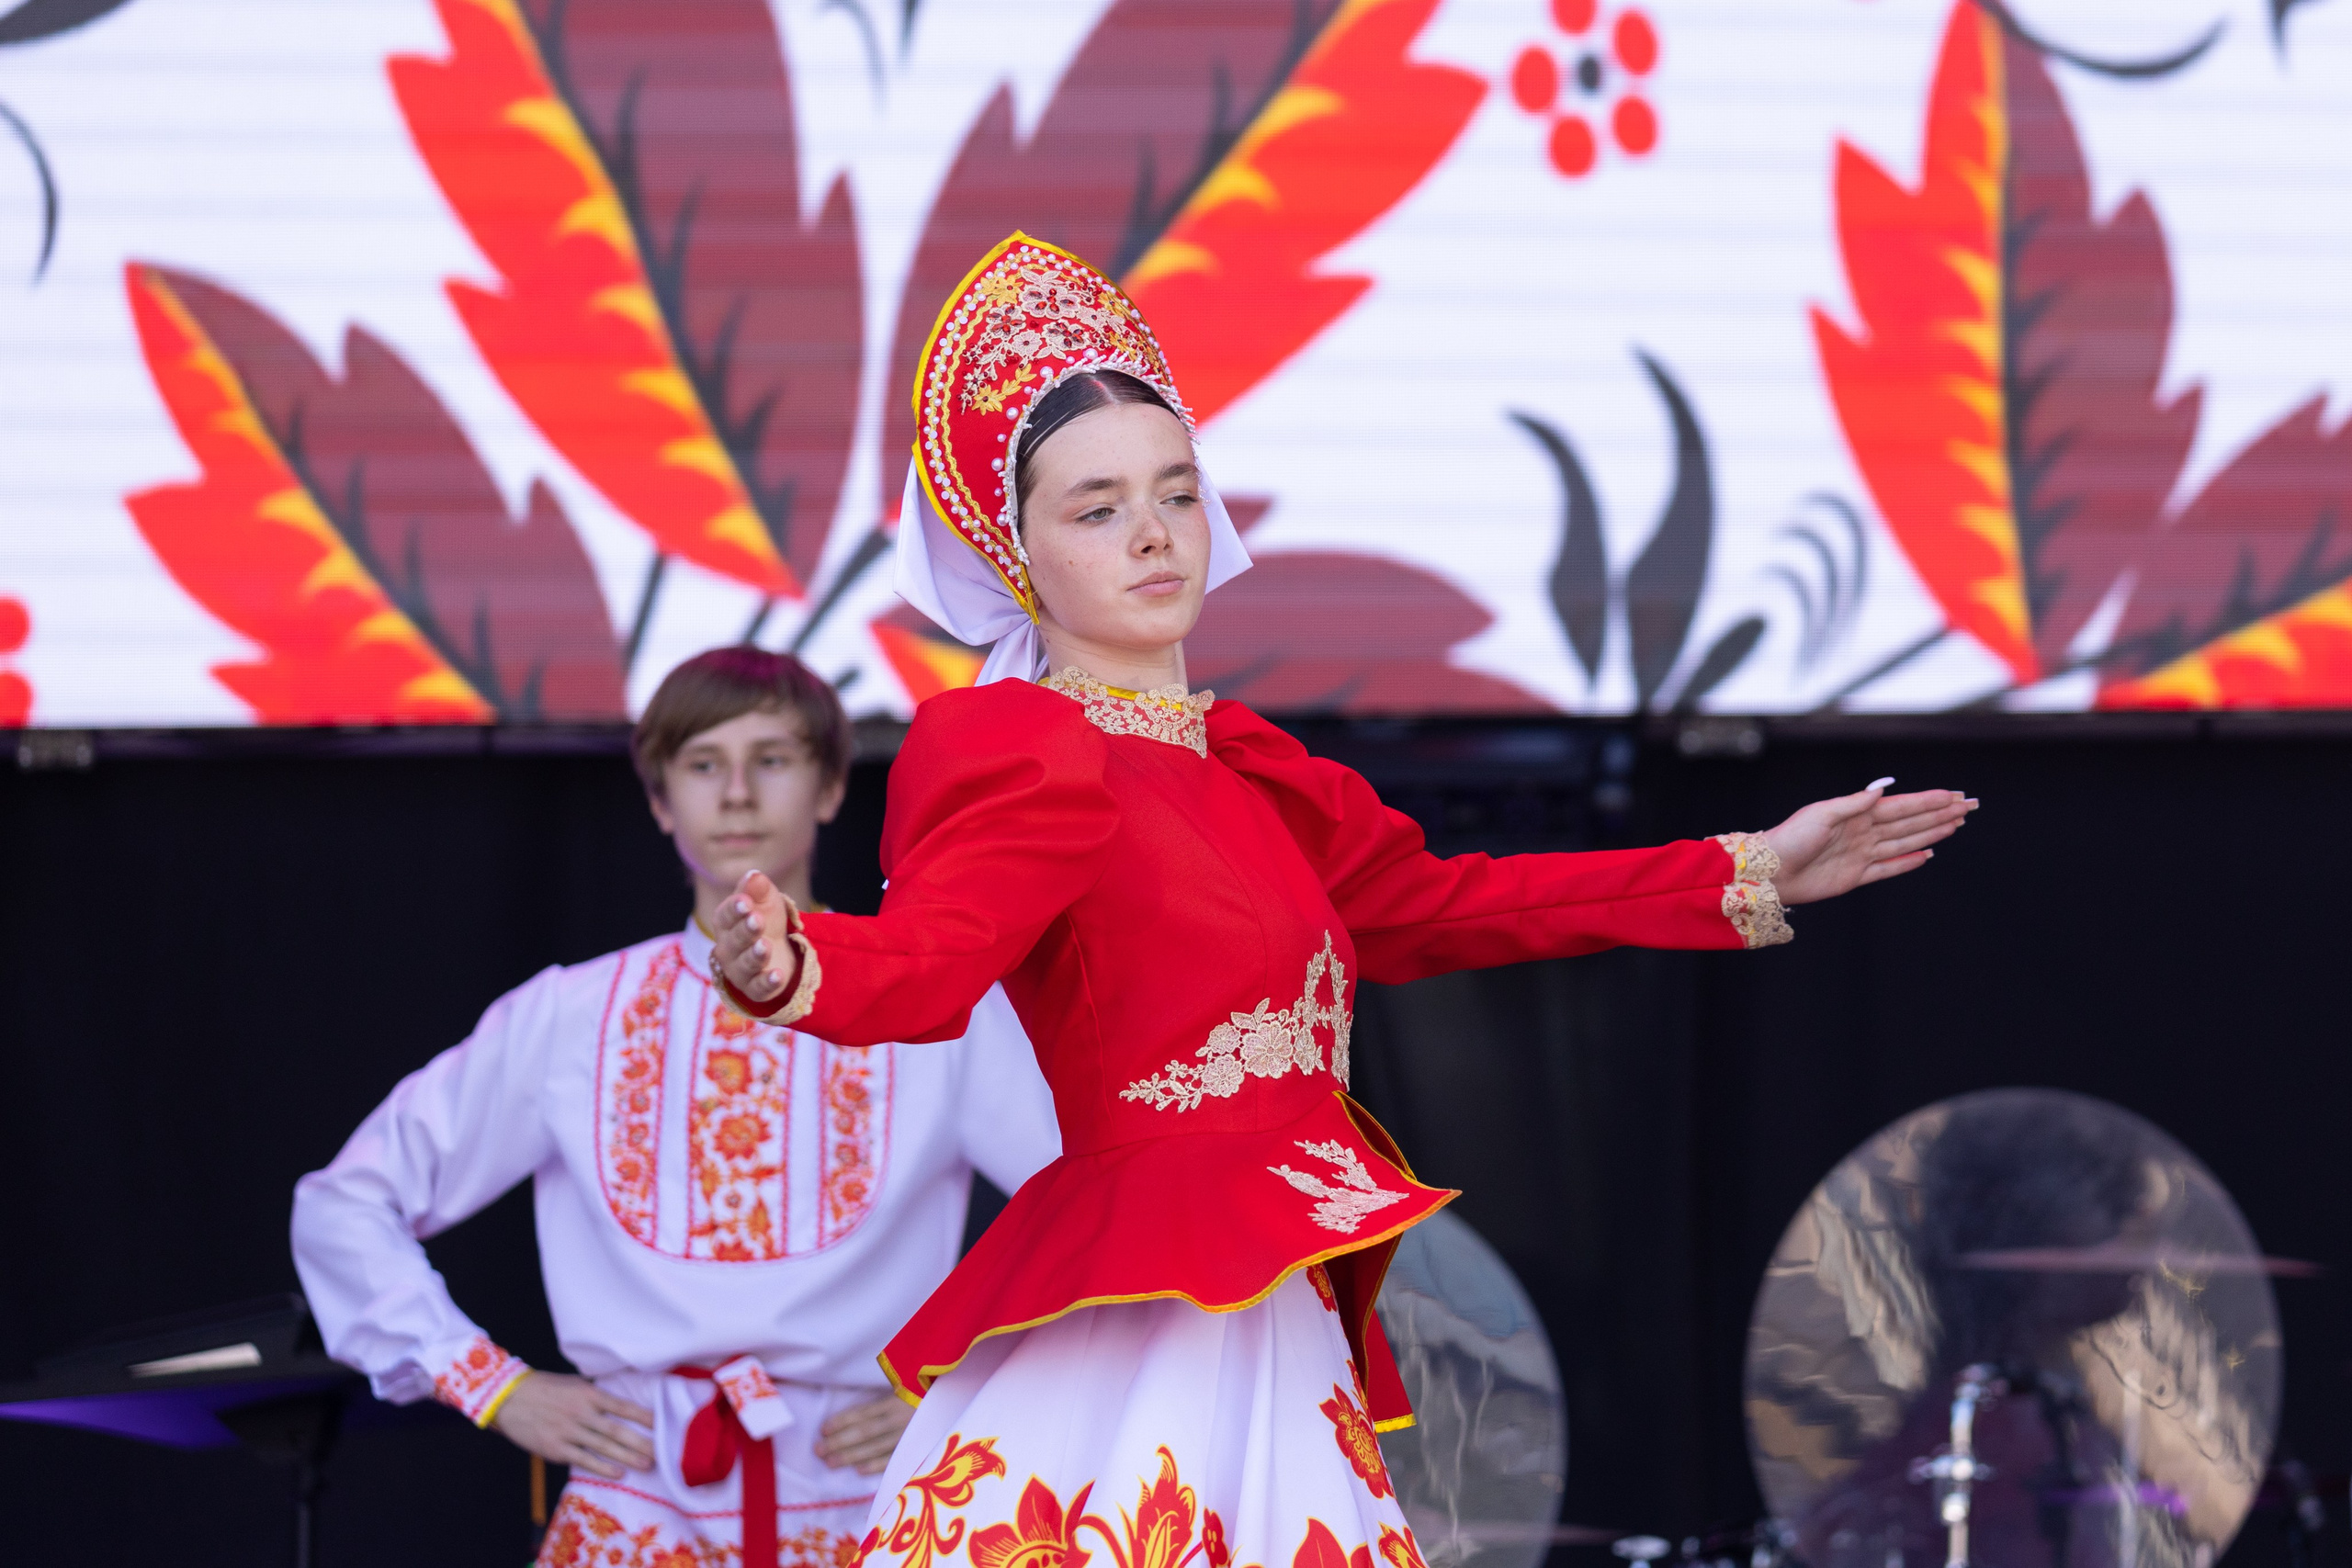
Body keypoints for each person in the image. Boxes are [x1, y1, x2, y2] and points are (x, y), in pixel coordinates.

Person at [710, 233, 1979, 1568]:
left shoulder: (1248, 766)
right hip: (1148, 1311)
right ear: (1014, 554)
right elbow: (927, 959)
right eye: (1095, 508)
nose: (1152, 533)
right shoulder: (1023, 744)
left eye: (1175, 491)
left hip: (1268, 1299)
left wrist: (1746, 870)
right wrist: (790, 961)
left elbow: (1451, 905)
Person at [292, 648, 1060, 1568]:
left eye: (772, 760)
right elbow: (345, 1203)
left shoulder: (933, 1008)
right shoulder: (572, 1016)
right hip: (642, 1498)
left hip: (874, 1495)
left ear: (827, 788)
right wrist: (493, 1386)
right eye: (702, 765)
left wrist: (968, 1389)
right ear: (660, 801)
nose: (736, 794)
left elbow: (1097, 1197)